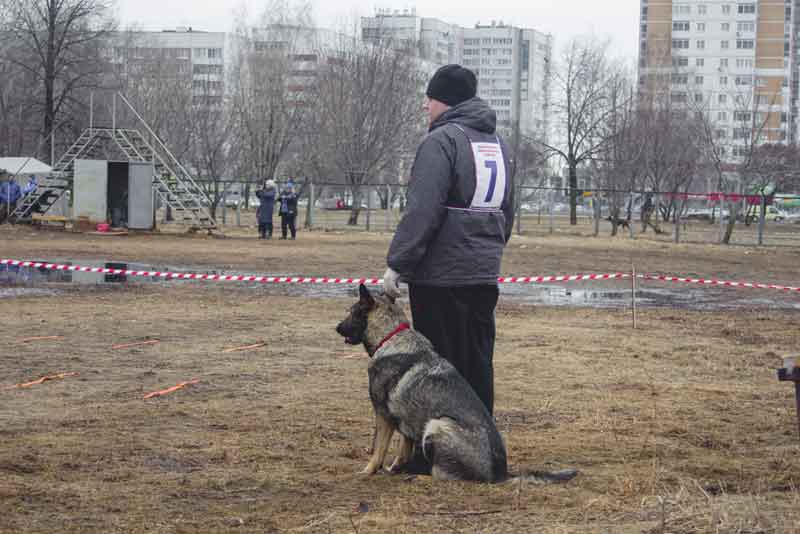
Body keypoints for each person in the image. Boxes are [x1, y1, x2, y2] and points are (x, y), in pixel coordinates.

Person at [384, 64, 515, 416]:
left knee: (439, 366)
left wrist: (398, 263)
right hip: (483, 275)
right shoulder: (499, 144)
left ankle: (438, 451)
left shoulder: (441, 141)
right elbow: (508, 211)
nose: (426, 105)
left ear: (445, 101)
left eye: (430, 98)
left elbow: (422, 210)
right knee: (477, 361)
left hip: (441, 277)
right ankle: (479, 443)